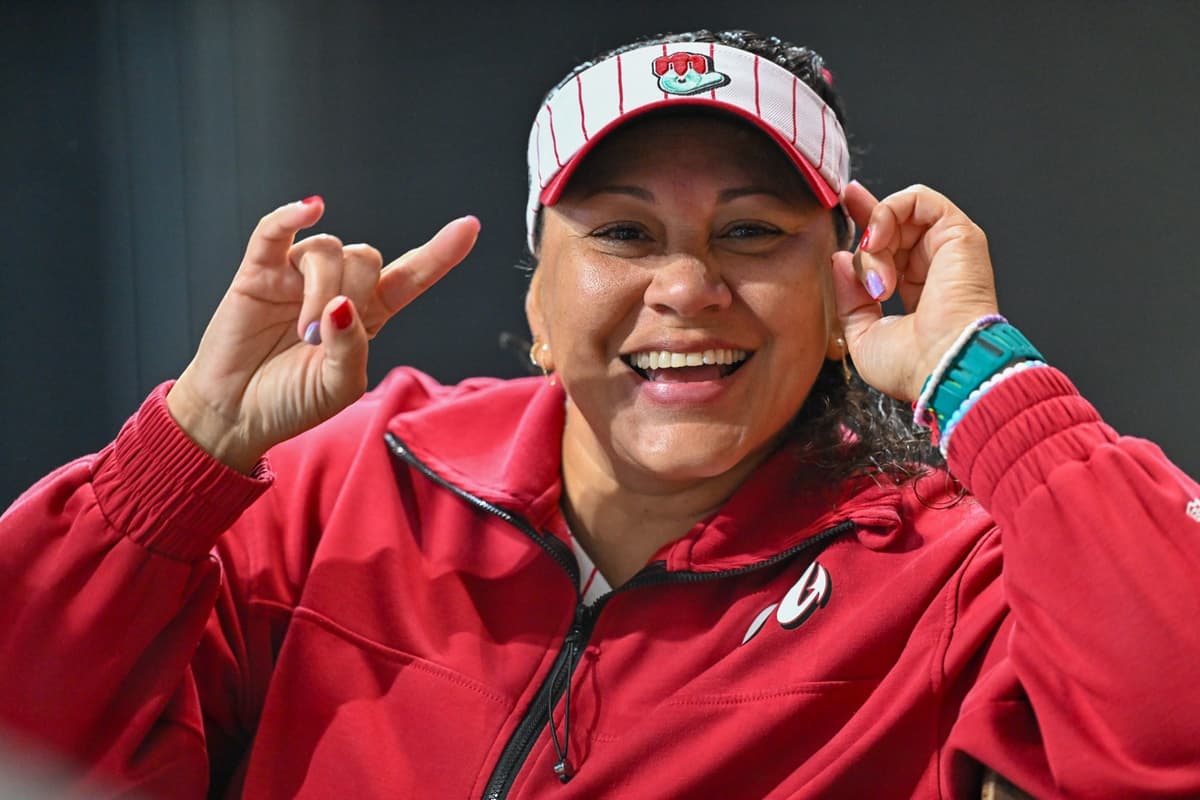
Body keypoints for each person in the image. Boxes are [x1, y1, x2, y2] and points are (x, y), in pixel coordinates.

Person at [2, 27, 1198, 799]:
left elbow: (1175, 730)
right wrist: (193, 444)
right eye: (623, 233)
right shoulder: (354, 475)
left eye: (753, 234)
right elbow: (29, 737)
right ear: (535, 292)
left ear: (846, 291)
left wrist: (983, 380)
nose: (686, 286)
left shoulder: (951, 567)